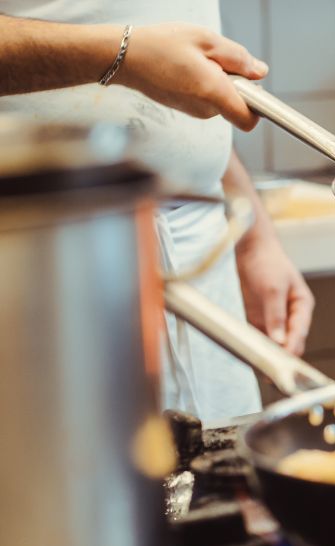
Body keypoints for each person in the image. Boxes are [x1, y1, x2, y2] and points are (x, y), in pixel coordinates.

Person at [0, 2, 315, 422]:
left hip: (204, 268)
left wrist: (254, 236)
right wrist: (123, 54)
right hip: (44, 261)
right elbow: (136, 47)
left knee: (226, 476)